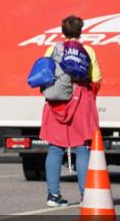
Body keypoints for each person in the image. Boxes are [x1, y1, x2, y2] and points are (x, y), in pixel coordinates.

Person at [40, 15, 102, 207]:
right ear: (80, 31)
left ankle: (53, 195)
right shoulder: (88, 50)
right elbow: (97, 79)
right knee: (82, 148)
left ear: (63, 31)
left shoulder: (52, 49)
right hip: (80, 100)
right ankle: (86, 195)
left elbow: (45, 73)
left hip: (56, 101)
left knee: (55, 148)